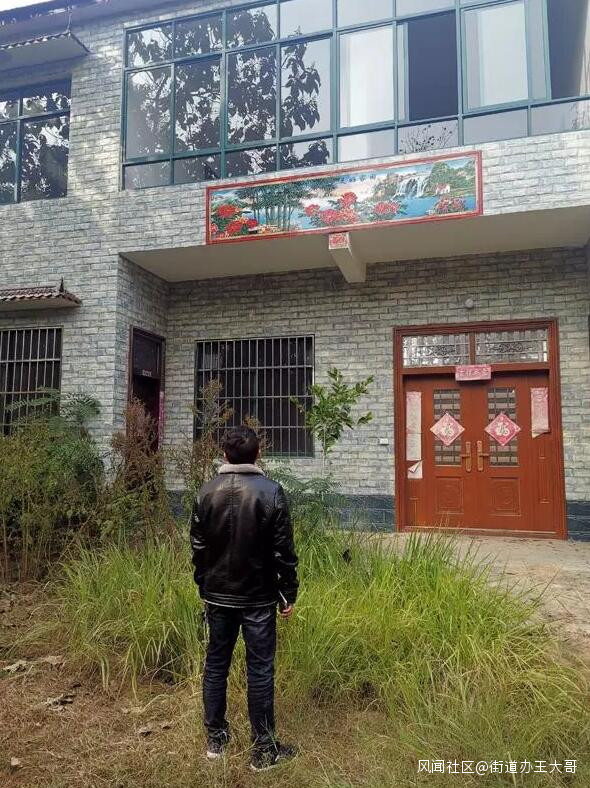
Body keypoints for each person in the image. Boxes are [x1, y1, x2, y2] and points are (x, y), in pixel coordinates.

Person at [190, 425, 299, 772]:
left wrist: (204, 587)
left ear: (224, 455)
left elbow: (198, 549)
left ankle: (216, 743)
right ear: (258, 454)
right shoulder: (271, 492)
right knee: (260, 670)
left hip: (218, 597)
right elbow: (283, 552)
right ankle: (263, 751)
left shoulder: (206, 492)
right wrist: (288, 593)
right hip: (258, 598)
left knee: (216, 666)